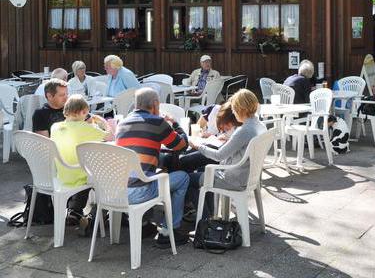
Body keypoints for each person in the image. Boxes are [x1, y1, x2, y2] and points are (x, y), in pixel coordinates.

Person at [115, 88, 190, 247]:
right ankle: (168, 230)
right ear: (155, 104)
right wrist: (175, 123)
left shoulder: (121, 124)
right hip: (140, 192)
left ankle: (143, 224)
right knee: (183, 177)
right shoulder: (157, 122)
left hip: (116, 191)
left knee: (153, 166)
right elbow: (181, 145)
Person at [187, 89, 266, 218]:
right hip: (249, 176)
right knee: (203, 169)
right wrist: (230, 140)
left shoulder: (244, 130)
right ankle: (212, 215)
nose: (233, 113)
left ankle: (206, 221)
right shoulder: (259, 125)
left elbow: (219, 155)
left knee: (187, 180)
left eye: (234, 109)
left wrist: (197, 145)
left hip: (234, 179)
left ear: (241, 109)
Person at [50, 94, 112, 227]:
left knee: (85, 170)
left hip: (62, 175)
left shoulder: (55, 127)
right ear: (82, 112)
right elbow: (110, 136)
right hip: (79, 174)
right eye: (86, 113)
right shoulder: (85, 128)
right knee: (106, 177)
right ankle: (98, 216)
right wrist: (102, 121)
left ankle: (75, 211)